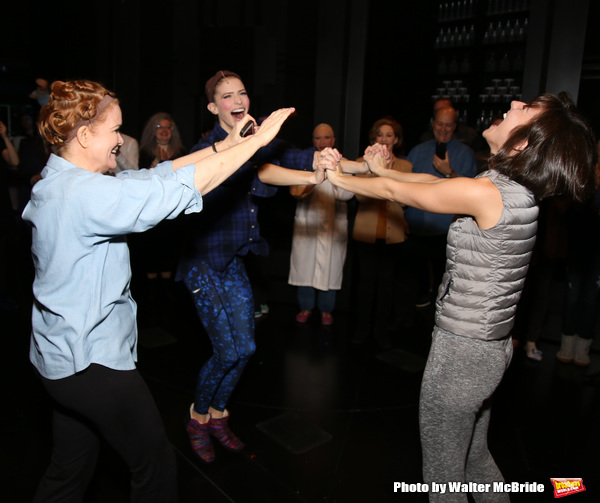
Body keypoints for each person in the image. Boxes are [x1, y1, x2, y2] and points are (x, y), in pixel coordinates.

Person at [21, 79, 295, 502]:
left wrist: (227, 145)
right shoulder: (84, 194)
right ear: (85, 134)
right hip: (92, 365)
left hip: (57, 361)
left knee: (69, 467)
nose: (121, 140)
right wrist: (255, 146)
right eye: (114, 130)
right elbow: (174, 191)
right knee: (155, 469)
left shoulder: (62, 180)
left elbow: (161, 174)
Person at [322, 93, 596, 502]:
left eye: (524, 111)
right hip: (489, 348)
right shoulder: (509, 188)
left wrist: (339, 178)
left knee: (443, 479)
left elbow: (407, 194)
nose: (515, 102)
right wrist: (375, 169)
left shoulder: (493, 194)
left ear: (523, 143)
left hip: (462, 354)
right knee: (474, 460)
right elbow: (436, 184)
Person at [177, 70, 323, 464]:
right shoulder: (206, 148)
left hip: (233, 261)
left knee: (246, 348)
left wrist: (321, 157)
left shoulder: (257, 140)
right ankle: (197, 420)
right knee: (227, 352)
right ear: (213, 107)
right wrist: (248, 145)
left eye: (241, 92)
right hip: (203, 264)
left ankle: (219, 416)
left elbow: (285, 154)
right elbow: (233, 169)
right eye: (226, 96)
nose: (237, 100)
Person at [404, 105, 477, 307]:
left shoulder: (465, 153)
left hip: (445, 234)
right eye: (439, 124)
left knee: (443, 289)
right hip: (414, 230)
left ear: (454, 127)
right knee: (410, 285)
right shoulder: (418, 151)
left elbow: (471, 194)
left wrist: (449, 172)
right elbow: (404, 187)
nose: (443, 128)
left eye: (448, 124)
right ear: (433, 124)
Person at [350, 118, 412, 347]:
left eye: (389, 135)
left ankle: (381, 331)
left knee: (387, 286)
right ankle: (361, 329)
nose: (385, 139)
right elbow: (361, 196)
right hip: (365, 233)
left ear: (396, 140)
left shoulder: (406, 167)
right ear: (373, 139)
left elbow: (402, 198)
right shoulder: (360, 164)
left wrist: (383, 175)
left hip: (393, 235)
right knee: (365, 284)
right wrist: (377, 169)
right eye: (380, 135)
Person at [288, 123, 354, 326]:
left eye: (327, 138)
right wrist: (313, 175)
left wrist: (333, 175)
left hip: (333, 227)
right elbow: (296, 192)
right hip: (308, 226)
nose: (322, 142)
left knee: (330, 271)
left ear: (333, 140)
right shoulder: (304, 163)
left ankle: (327, 310)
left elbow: (348, 193)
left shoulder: (344, 163)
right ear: (313, 141)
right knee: (304, 270)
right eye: (318, 138)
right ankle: (305, 307)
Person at [556, 139, 600, 366]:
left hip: (597, 251)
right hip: (577, 246)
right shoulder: (582, 174)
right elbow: (564, 208)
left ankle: (583, 346)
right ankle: (566, 343)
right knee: (572, 296)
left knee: (592, 298)